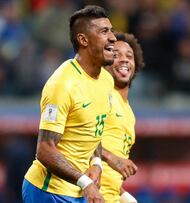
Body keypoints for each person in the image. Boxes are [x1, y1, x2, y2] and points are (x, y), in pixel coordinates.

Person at [22, 5, 116, 203]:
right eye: (104, 32)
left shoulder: (106, 81)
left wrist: (97, 163)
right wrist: (85, 182)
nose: (113, 38)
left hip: (78, 189)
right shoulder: (63, 84)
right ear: (83, 40)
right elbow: (45, 150)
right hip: (48, 191)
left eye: (112, 31)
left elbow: (93, 129)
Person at [100, 32, 145, 202]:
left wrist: (123, 194)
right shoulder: (101, 94)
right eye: (116, 55)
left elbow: (111, 172)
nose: (124, 60)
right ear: (105, 62)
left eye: (129, 56)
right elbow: (78, 141)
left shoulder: (129, 112)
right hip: (89, 195)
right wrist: (111, 157)